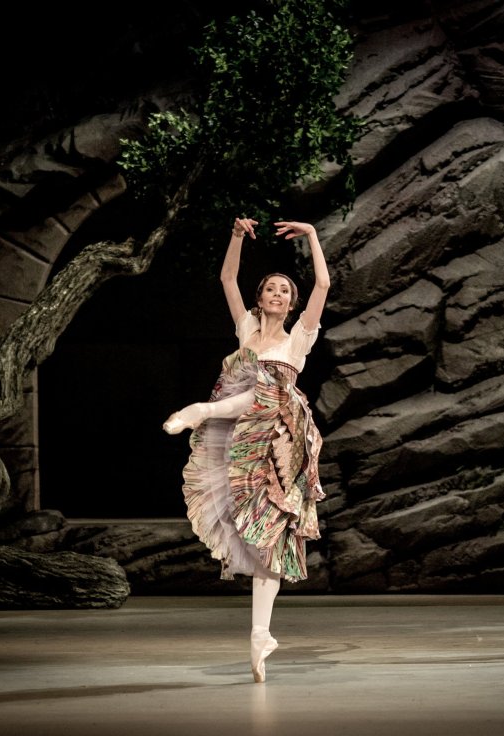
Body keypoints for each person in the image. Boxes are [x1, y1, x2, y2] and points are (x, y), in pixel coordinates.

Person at [162, 216, 329, 682]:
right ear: (261, 299)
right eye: (271, 290)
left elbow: (323, 283)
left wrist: (313, 236)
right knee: (259, 535)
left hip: (280, 435)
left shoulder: (299, 337)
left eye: (284, 291)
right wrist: (235, 236)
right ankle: (260, 635)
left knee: (272, 531)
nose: (278, 294)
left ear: (292, 304)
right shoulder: (246, 330)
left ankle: (199, 410)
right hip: (246, 437)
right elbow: (226, 279)